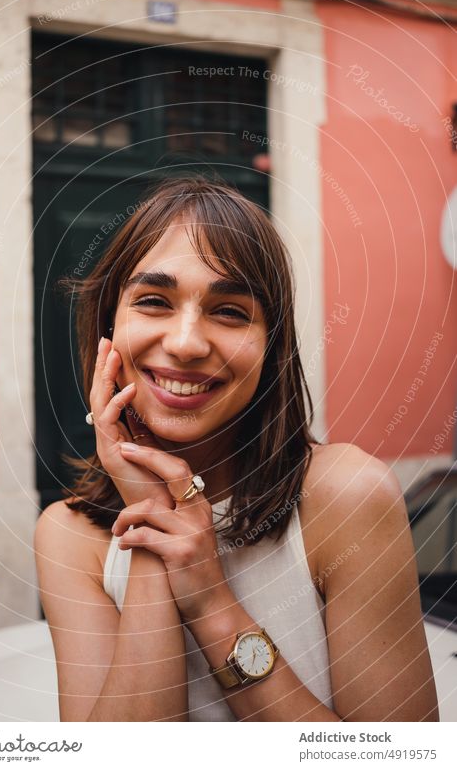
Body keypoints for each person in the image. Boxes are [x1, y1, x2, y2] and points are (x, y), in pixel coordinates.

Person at [34, 176, 439, 722]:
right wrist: (155, 526)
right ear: (109, 329)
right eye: (153, 301)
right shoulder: (68, 536)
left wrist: (211, 603)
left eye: (229, 312)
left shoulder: (344, 497)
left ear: (271, 348)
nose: (185, 343)